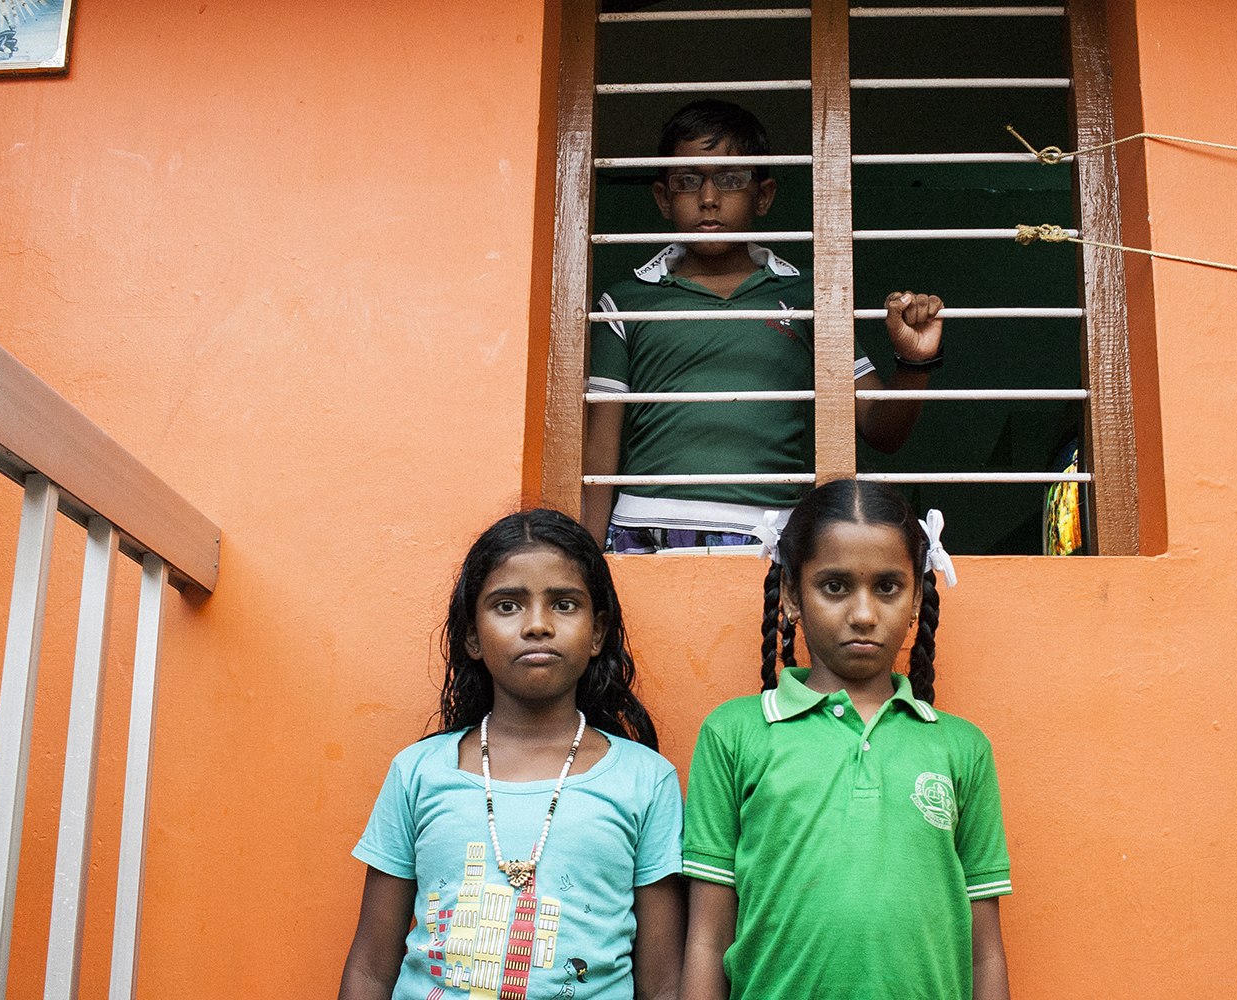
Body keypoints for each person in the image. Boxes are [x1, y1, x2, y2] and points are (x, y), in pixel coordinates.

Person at [680, 480, 1013, 1000]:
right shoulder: (734, 734)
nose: (863, 614)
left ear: (917, 597)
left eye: (888, 587)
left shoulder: (961, 747)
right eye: (835, 586)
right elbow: (707, 938)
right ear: (792, 595)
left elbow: (985, 951)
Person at [339, 510, 686, 1000]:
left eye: (564, 604)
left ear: (597, 633)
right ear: (472, 636)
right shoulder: (417, 772)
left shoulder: (645, 780)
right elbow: (371, 970)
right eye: (507, 606)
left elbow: (663, 983)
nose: (537, 625)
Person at [583, 100, 947, 553]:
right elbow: (598, 451)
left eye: (731, 179)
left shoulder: (809, 296)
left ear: (764, 195)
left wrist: (914, 363)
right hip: (644, 530)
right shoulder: (624, 303)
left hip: (767, 537)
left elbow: (880, 431)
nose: (709, 197)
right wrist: (587, 560)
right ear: (663, 197)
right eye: (688, 181)